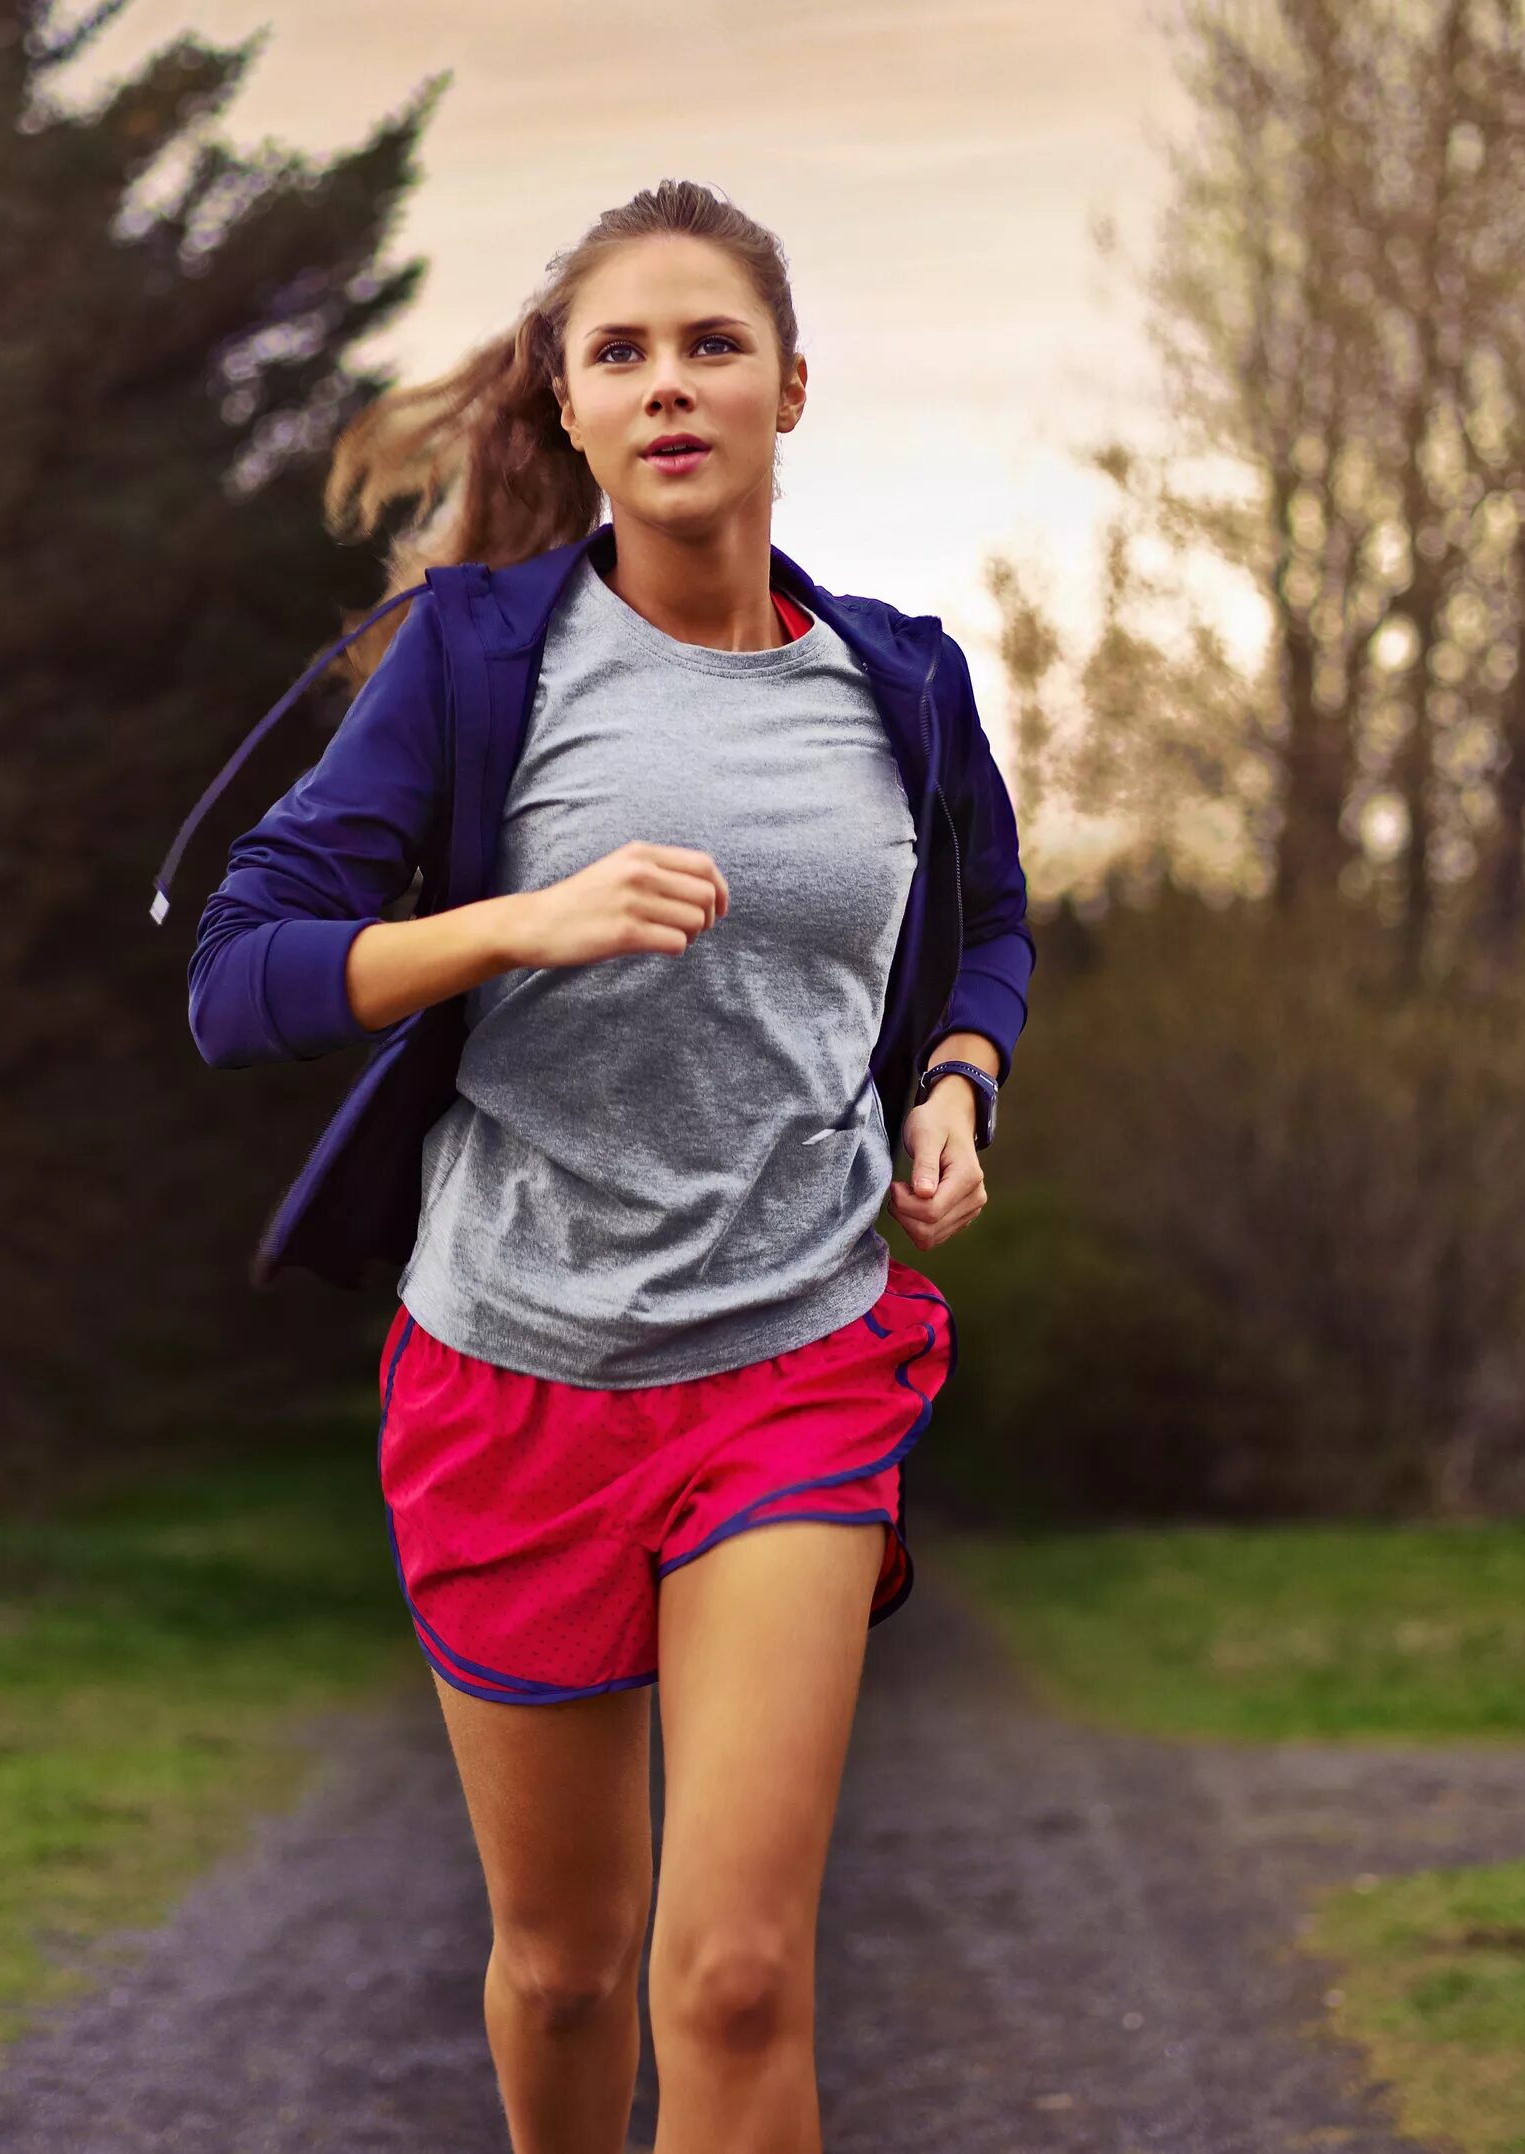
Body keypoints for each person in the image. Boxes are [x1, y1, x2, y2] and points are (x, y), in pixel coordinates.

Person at [182, 178, 1033, 2154]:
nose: (672, 385)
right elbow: (244, 976)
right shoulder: (476, 660)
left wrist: (961, 1080)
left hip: (798, 1360)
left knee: (732, 1972)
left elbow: (985, 923)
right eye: (623, 352)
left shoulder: (900, 681)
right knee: (565, 1968)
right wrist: (511, 926)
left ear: (791, 387)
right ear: (565, 410)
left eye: (712, 343)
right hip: (514, 1370)